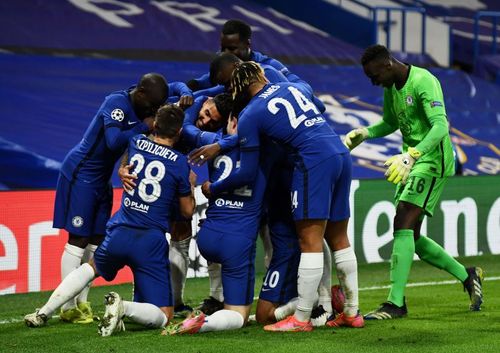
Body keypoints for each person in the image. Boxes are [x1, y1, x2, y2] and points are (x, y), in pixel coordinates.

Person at [201, 62, 362, 332]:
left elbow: (249, 171)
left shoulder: (251, 113)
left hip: (312, 161)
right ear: (261, 76)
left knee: (308, 240)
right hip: (339, 152)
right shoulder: (292, 87)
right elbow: (317, 107)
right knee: (339, 238)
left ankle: (300, 319)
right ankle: (351, 312)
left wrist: (214, 188)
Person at [25, 104, 196, 336]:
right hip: (150, 241)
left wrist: (122, 170)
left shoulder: (136, 142)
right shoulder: (179, 162)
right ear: (178, 133)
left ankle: (43, 312)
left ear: (155, 125)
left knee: (90, 267)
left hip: (119, 231)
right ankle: (123, 307)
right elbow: (186, 212)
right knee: (164, 314)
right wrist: (191, 184)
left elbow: (126, 161)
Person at [345, 44, 483, 320]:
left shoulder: (423, 81)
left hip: (432, 159)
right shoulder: (390, 88)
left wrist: (412, 155)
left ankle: (395, 303)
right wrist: (366, 133)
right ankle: (467, 275)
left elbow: (441, 126)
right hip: (411, 161)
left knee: (403, 220)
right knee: (412, 236)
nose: (373, 82)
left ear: (387, 64)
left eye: (374, 75)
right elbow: (389, 122)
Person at [52, 73, 168, 324]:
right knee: (78, 238)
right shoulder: (115, 103)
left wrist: (185, 93)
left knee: (96, 240)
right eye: (151, 106)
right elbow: (114, 140)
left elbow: (178, 89)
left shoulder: (146, 102)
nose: (153, 112)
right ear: (140, 94)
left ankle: (82, 304)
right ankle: (67, 307)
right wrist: (143, 126)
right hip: (81, 174)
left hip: (102, 179)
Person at [165, 109, 278, 335]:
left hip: (208, 234)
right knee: (239, 316)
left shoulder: (211, 141)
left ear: (231, 120)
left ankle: (212, 304)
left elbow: (186, 125)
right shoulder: (266, 146)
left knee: (231, 301)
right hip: (237, 239)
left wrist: (191, 93)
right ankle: (203, 323)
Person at [187, 19, 325, 113]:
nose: (225, 53)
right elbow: (203, 84)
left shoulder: (270, 68)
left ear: (247, 44)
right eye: (223, 48)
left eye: (232, 48)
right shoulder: (225, 62)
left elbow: (316, 103)